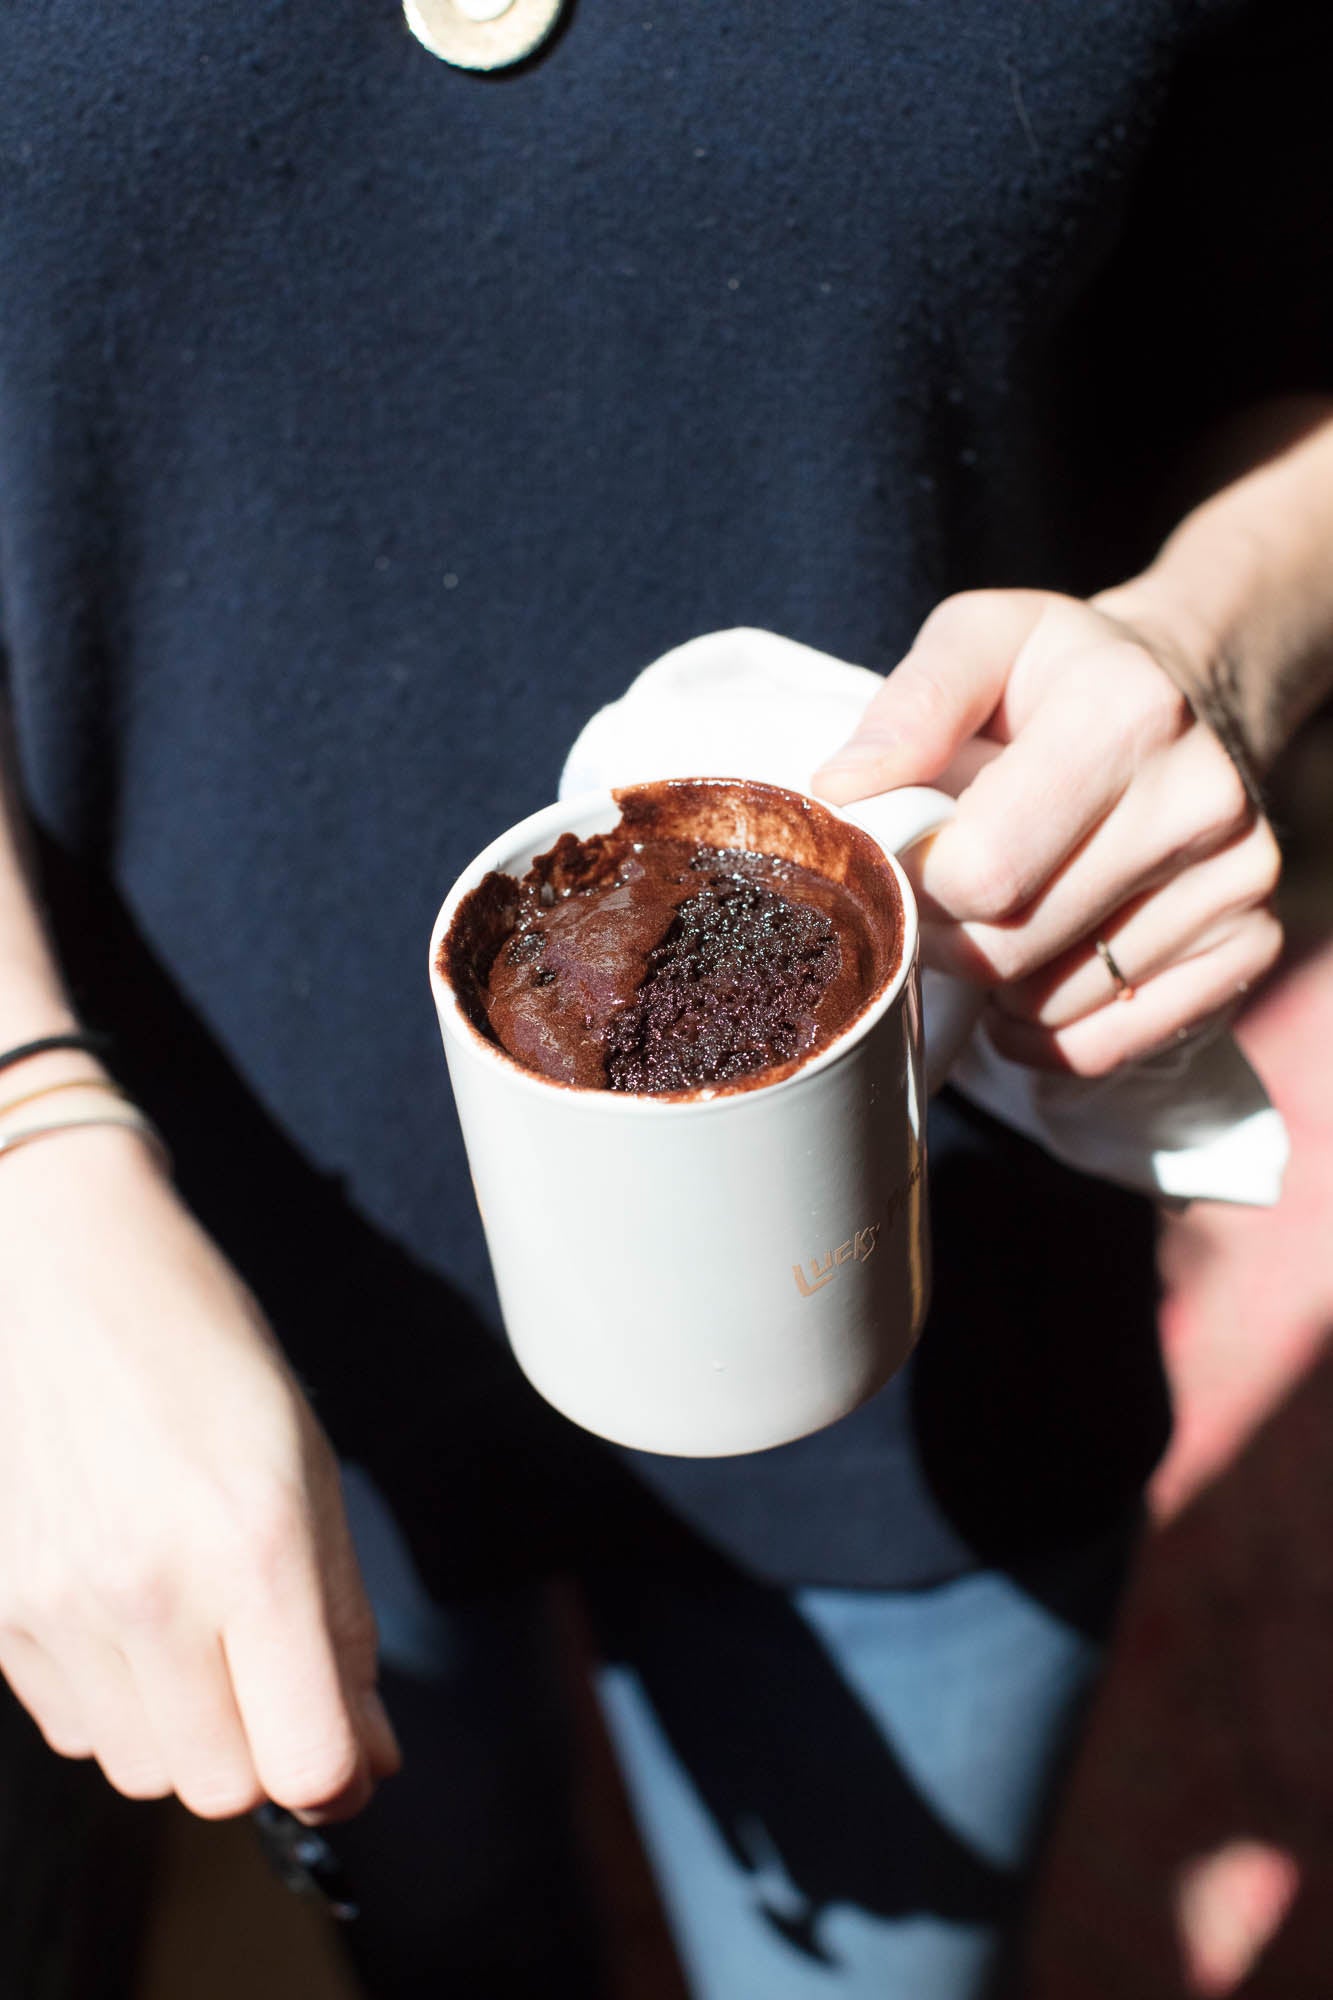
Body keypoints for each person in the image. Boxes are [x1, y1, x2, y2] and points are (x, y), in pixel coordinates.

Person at [0, 3, 1330, 1995]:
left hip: (924, 1267)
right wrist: (25, 1145)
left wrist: (1213, 643)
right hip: (216, 1282)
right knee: (449, 1940)